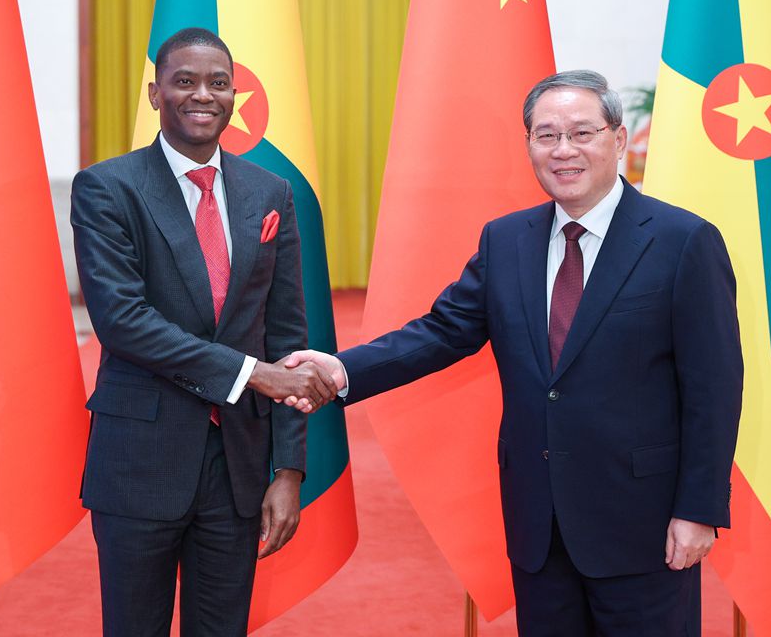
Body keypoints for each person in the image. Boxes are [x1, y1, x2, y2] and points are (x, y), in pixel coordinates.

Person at [284, 70, 743, 636]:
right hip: (538, 522)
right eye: (546, 135)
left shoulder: (682, 241)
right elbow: (443, 331)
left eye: (582, 132)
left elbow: (714, 389)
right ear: (529, 145)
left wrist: (698, 509)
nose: (563, 150)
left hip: (642, 523)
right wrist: (342, 369)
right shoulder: (506, 240)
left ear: (619, 139)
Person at [71, 27, 337, 637]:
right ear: (155, 93)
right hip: (140, 462)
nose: (202, 95)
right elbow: (123, 322)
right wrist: (251, 375)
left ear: (234, 96)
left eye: (218, 83)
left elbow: (287, 336)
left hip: (237, 467)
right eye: (184, 81)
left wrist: (288, 470)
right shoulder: (107, 188)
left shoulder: (270, 192)